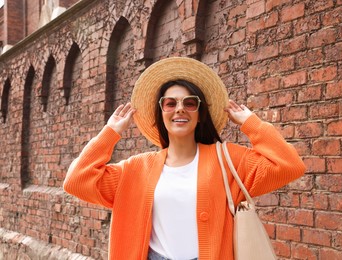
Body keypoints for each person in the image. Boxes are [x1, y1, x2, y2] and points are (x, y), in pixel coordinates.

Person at [63, 57, 306, 260]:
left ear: (200, 115)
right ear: (161, 114)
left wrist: (251, 123)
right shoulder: (136, 169)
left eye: (189, 103)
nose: (179, 109)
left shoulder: (228, 160)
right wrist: (111, 132)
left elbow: (289, 166)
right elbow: (76, 180)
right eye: (170, 104)